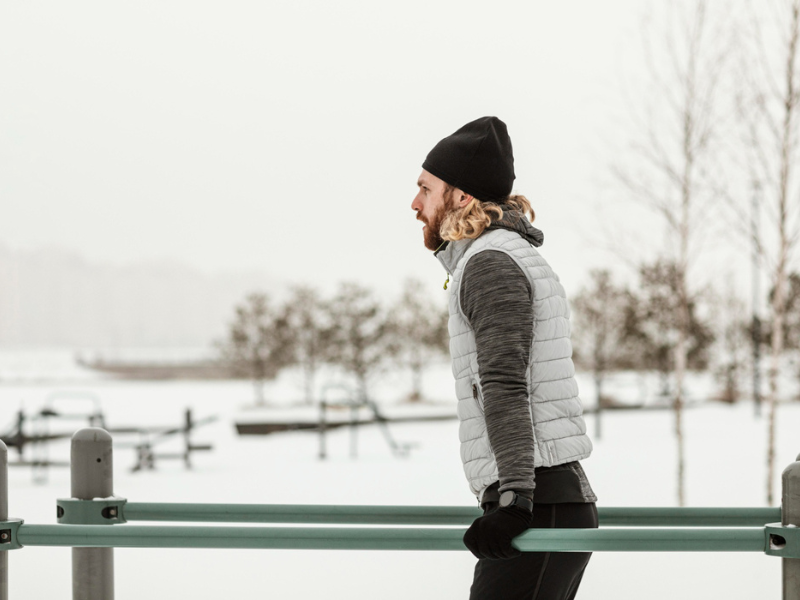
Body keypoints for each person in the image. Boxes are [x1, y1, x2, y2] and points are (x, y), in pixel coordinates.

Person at [411, 116, 598, 600]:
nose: (414, 204)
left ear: (462, 197)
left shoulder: (491, 263)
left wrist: (514, 501)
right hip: (543, 499)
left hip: (536, 502)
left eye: (426, 189)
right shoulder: (499, 255)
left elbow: (505, 384)